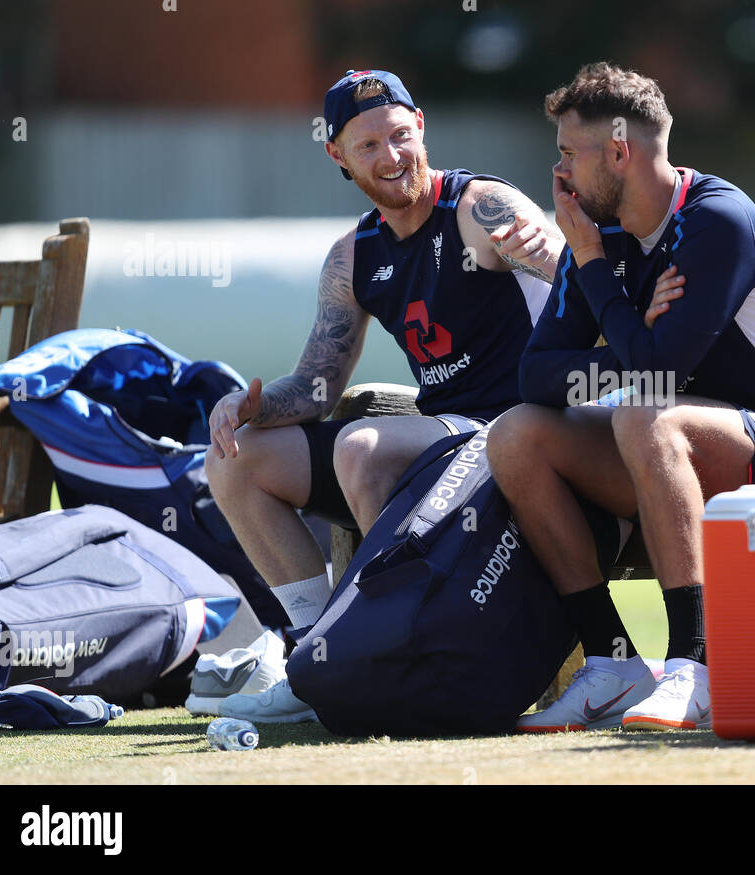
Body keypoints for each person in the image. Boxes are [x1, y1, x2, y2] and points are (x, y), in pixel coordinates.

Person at [486, 62, 755, 732]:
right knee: (517, 434)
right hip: (675, 450)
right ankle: (611, 662)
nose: (561, 176)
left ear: (619, 152)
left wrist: (599, 280)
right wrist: (619, 341)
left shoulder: (714, 220)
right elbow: (536, 377)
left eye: (569, 154)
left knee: (644, 412)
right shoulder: (597, 237)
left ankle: (695, 666)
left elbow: (658, 371)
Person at [197, 69, 562, 722]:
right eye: (368, 145)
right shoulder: (352, 257)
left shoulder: (482, 206)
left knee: (364, 448)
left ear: (420, 125)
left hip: (517, 433)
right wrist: (247, 407)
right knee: (234, 459)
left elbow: (575, 278)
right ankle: (318, 654)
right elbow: (316, 386)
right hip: (440, 439)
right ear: (337, 155)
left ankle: (397, 653)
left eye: (399, 135)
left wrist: (555, 255)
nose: (391, 156)